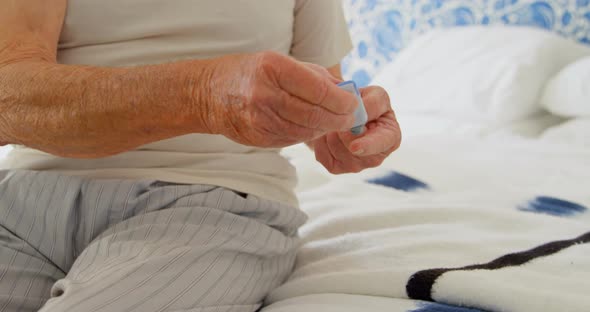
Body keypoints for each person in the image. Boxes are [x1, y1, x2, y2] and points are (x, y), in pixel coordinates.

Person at [0, 0, 401, 311]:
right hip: (23, 204)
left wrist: (346, 128)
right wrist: (204, 93)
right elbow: (8, 93)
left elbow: (320, 97)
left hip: (216, 204)